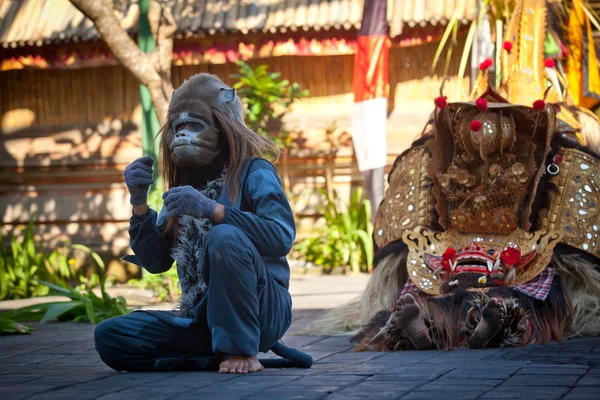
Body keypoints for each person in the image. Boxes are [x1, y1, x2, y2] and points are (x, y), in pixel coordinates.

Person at [94, 73, 295, 374]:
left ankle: (242, 351)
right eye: (178, 127)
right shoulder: (185, 187)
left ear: (224, 130)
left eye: (195, 125)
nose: (183, 135)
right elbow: (156, 262)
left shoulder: (254, 172)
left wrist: (212, 210)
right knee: (110, 336)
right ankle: (211, 357)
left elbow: (281, 237)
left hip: (262, 310)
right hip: (202, 319)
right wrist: (139, 205)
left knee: (224, 238)